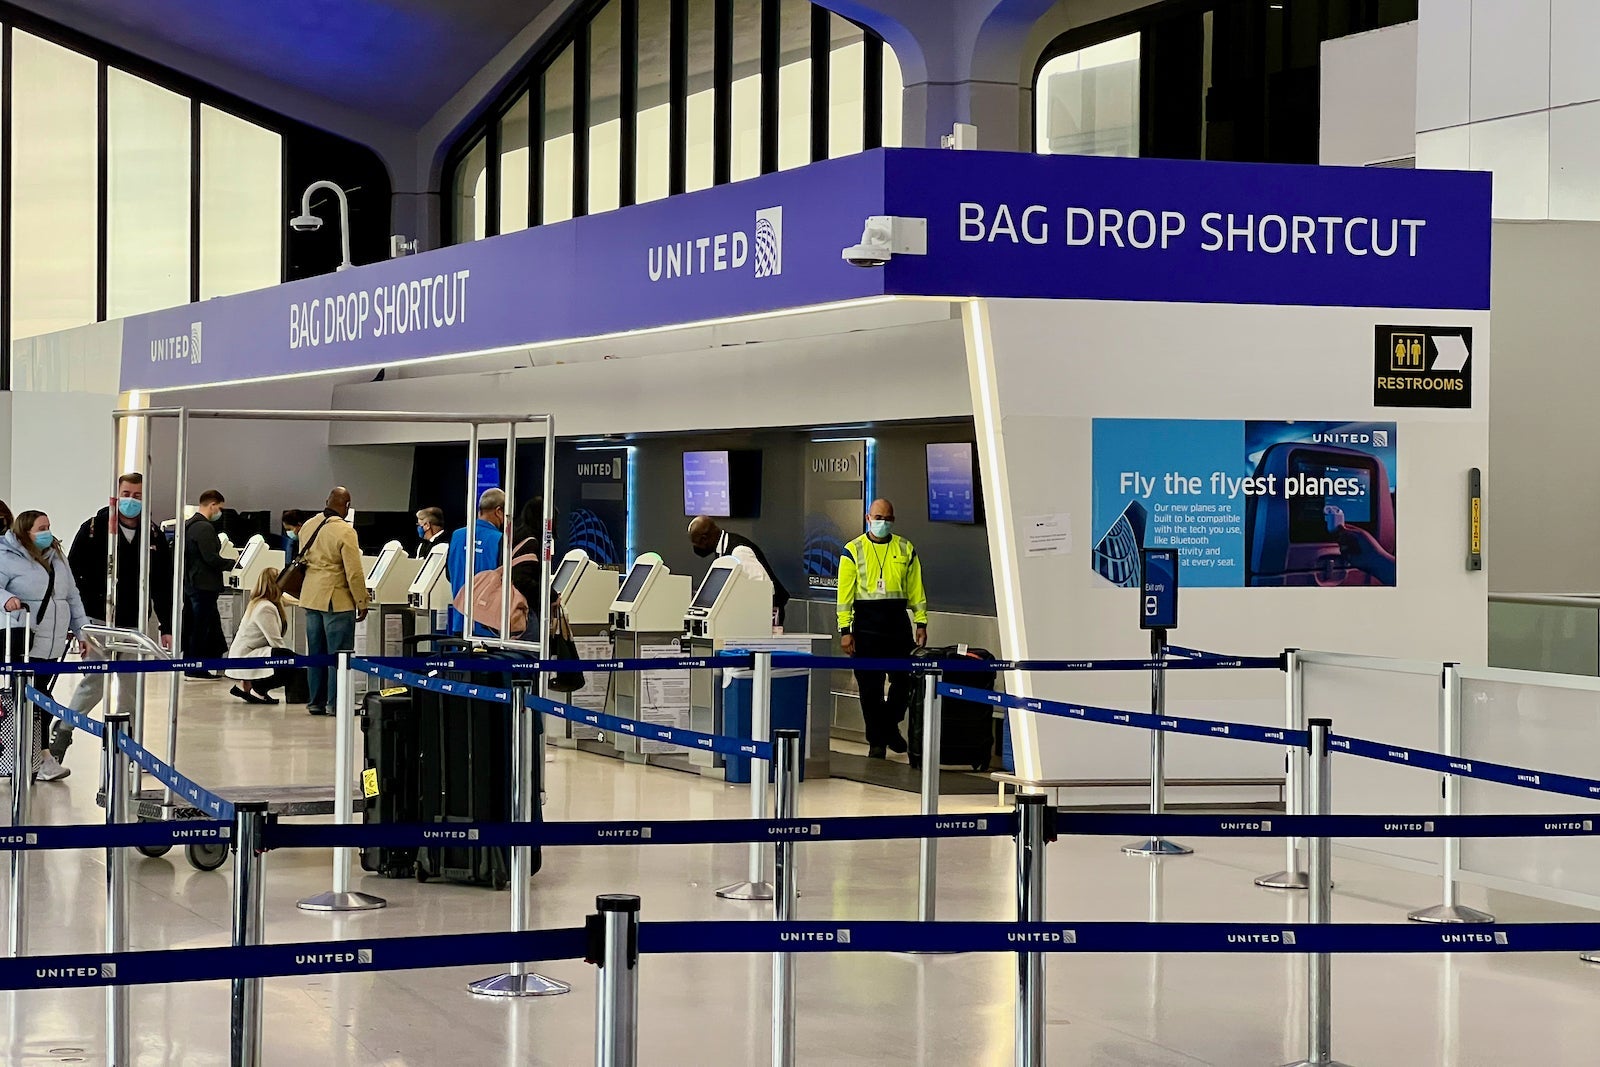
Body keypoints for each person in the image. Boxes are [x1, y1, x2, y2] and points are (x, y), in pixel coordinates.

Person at [58, 473, 175, 764]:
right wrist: (77, 624)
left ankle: (130, 748)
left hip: (134, 623)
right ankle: (62, 733)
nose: (131, 500)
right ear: (116, 494)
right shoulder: (94, 529)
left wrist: (167, 625)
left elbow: (163, 583)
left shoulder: (154, 535)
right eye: (126, 493)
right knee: (93, 682)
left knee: (131, 688)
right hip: (97, 619)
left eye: (137, 495)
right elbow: (72, 578)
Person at [837, 498, 928, 760]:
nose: (882, 523)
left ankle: (888, 725)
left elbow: (916, 590)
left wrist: (921, 622)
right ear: (868, 518)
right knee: (870, 688)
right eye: (878, 518)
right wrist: (845, 630)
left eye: (887, 518)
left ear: (893, 520)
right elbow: (844, 595)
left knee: (905, 681)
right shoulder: (853, 550)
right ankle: (877, 742)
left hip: (897, 623)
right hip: (866, 625)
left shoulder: (905, 548)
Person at [0, 510, 88, 781]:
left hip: (54, 642)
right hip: (23, 639)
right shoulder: (6, 555)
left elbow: (71, 595)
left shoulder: (57, 557)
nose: (47, 532)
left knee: (40, 699)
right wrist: (6, 598)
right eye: (41, 527)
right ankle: (41, 758)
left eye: (48, 526)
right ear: (25, 531)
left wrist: (81, 631)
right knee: (36, 701)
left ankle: (35, 758)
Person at [295, 488, 369, 715]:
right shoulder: (345, 531)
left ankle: (315, 702)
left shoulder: (308, 525)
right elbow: (353, 572)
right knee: (340, 655)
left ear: (326, 501)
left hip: (311, 596)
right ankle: (336, 703)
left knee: (316, 653)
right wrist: (362, 601)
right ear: (347, 506)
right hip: (336, 599)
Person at [688, 516, 790, 626]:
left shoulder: (739, 552)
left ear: (704, 539)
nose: (696, 548)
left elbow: (765, 588)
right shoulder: (722, 549)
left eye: (697, 543)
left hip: (766, 616)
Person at [225, 568, 293, 705]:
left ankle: (254, 685)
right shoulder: (265, 607)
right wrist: (292, 659)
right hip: (246, 657)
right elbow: (275, 641)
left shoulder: (260, 603)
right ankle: (259, 689)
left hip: (246, 654)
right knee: (291, 661)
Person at [448, 488, 508, 637]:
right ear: (499, 511)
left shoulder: (457, 536)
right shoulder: (500, 539)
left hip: (459, 622)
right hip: (488, 627)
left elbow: (449, 574)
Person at [182, 489, 228, 677]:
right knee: (201, 628)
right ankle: (196, 667)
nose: (220, 512)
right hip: (204, 585)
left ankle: (192, 663)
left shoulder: (188, 525)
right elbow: (210, 558)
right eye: (220, 508)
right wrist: (232, 564)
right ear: (212, 505)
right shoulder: (205, 528)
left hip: (191, 583)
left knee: (196, 625)